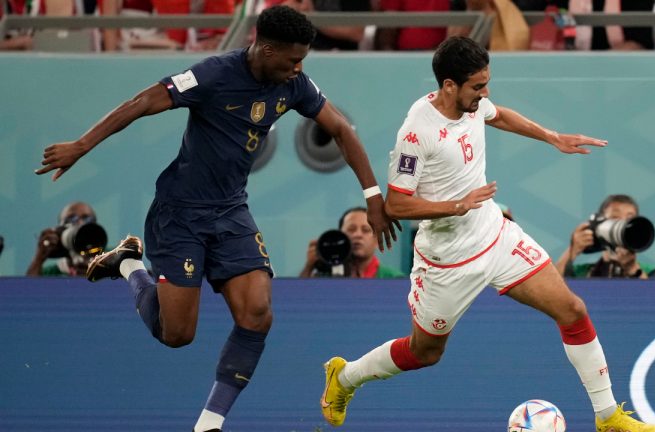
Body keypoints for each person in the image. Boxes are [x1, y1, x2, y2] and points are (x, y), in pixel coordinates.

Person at [35, 6, 399, 432]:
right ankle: (129, 264)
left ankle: (209, 423)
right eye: (292, 59)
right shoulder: (213, 74)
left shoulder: (294, 84)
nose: (299, 68)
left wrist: (373, 196)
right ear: (265, 48)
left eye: (303, 60)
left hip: (230, 211)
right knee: (177, 335)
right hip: (180, 214)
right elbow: (142, 102)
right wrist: (81, 145)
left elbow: (341, 129)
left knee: (258, 313)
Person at [319, 36, 655, 432]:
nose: (485, 93)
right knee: (425, 352)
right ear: (449, 86)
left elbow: (498, 116)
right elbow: (396, 205)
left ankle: (608, 417)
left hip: (496, 237)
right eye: (478, 86)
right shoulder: (417, 132)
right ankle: (344, 377)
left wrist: (552, 137)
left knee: (573, 310)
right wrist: (456, 205)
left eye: (486, 83)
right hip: (447, 261)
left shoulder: (474, 105)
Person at [555, 194, 655, 279]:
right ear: (600, 224)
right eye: (615, 217)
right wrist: (572, 250)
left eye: (630, 219)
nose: (623, 223)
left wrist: (632, 269)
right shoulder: (582, 272)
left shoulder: (652, 272)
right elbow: (553, 288)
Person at [300, 206, 405, 278]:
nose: (357, 235)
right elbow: (297, 302)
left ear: (378, 241)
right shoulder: (325, 277)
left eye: (366, 230)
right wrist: (309, 267)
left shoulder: (395, 279)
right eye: (351, 229)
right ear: (340, 236)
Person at [26, 201, 105, 277]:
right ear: (60, 229)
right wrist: (39, 259)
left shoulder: (112, 257)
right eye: (71, 219)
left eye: (87, 219)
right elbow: (28, 288)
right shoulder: (51, 273)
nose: (80, 223)